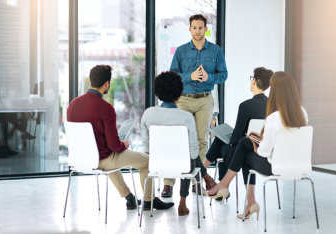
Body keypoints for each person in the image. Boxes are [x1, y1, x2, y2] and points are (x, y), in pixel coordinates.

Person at [67, 65, 173, 211]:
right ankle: (150, 201)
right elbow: (114, 147)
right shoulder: (106, 108)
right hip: (103, 159)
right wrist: (124, 144)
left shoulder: (72, 105)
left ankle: (130, 198)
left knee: (109, 157)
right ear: (106, 84)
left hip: (80, 159)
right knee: (147, 162)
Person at [207, 71, 308, 219]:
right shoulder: (302, 113)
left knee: (245, 150)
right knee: (245, 144)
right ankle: (242, 197)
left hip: (275, 168)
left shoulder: (274, 118)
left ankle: (231, 189)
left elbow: (264, 152)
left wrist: (256, 141)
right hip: (299, 166)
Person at [164, 13, 228, 197]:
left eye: (201, 27)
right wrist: (189, 76)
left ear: (205, 29)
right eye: (195, 27)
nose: (198, 31)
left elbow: (224, 75)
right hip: (183, 99)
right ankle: (168, 184)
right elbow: (172, 75)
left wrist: (210, 77)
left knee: (201, 141)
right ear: (189, 29)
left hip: (204, 100)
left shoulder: (216, 51)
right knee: (178, 140)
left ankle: (196, 182)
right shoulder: (181, 51)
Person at [141, 71, 217, 216]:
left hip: (157, 165)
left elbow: (146, 147)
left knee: (189, 158)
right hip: (183, 166)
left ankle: (206, 179)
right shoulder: (186, 117)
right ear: (179, 95)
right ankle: (183, 202)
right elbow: (194, 152)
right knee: (190, 159)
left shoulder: (148, 114)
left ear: (157, 92)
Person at [204, 67, 273, 185]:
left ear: (254, 81)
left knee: (220, 142)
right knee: (222, 143)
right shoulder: (272, 105)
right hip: (262, 150)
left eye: (252, 78)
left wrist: (230, 137)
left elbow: (236, 137)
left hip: (241, 151)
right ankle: (207, 175)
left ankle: (202, 170)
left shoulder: (245, 106)